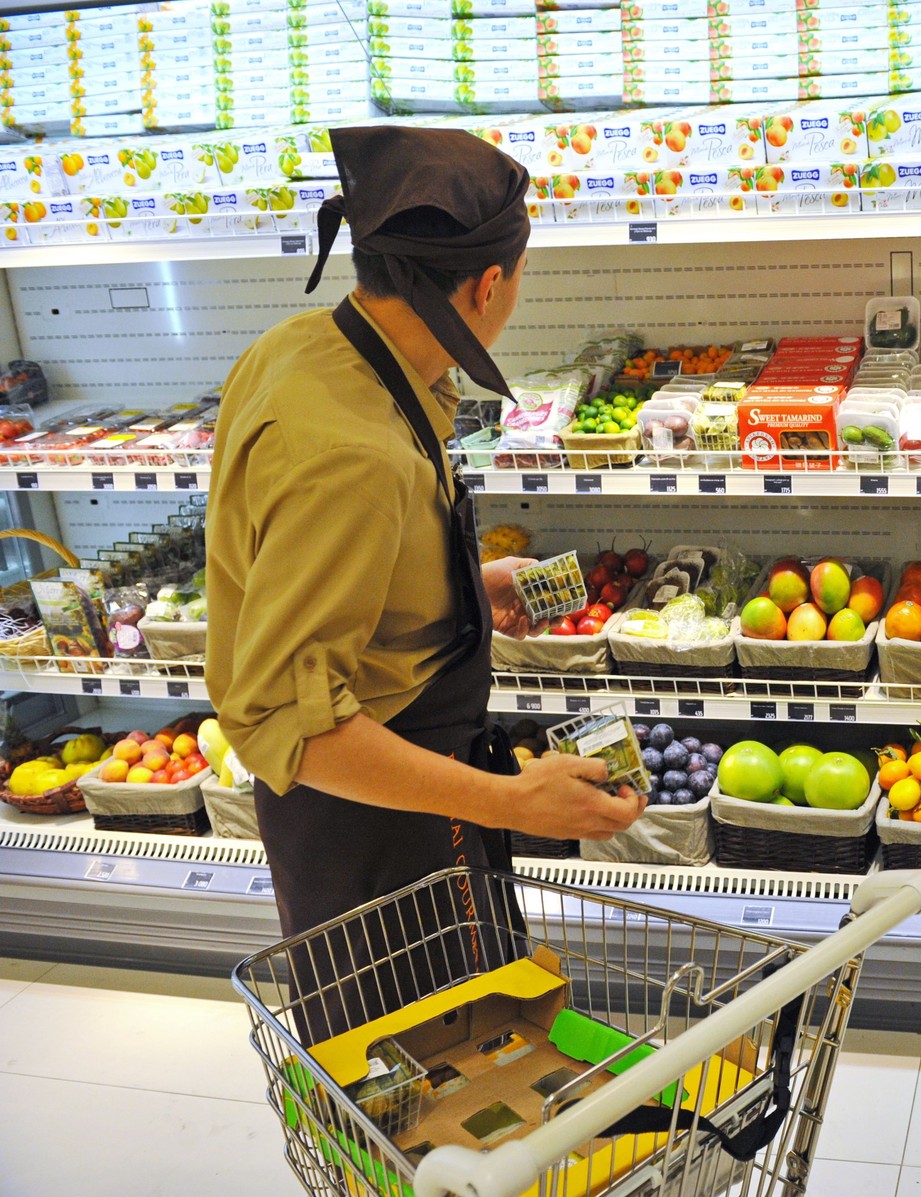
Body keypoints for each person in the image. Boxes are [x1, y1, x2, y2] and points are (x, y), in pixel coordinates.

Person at [205, 125, 643, 1032]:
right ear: (487, 285)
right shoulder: (353, 454)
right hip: (374, 828)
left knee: (467, 1046)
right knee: (417, 1076)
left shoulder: (307, 349)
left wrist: (465, 588)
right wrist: (508, 798)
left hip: (407, 789)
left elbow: (312, 574)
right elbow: (297, 726)